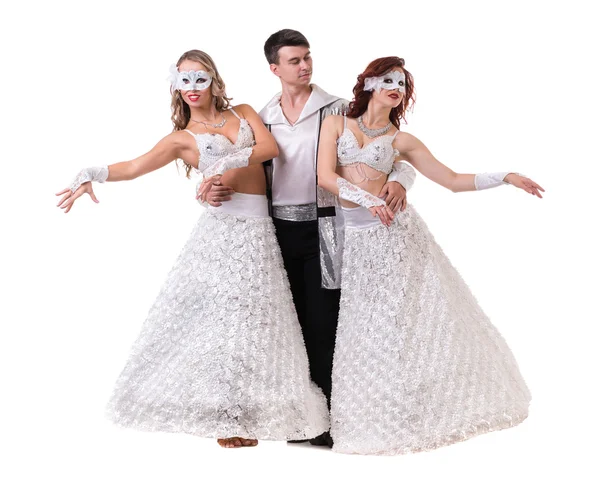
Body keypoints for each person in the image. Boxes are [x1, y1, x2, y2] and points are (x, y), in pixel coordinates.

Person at [55, 49, 329, 449]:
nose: (192, 88)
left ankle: (259, 411)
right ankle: (227, 418)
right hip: (222, 234)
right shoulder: (181, 139)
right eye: (183, 80)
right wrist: (90, 173)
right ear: (175, 86)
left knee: (262, 323)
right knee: (223, 323)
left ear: (213, 80)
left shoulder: (244, 113)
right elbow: (134, 166)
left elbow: (270, 148)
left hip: (261, 230)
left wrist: (221, 169)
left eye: (199, 79)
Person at [201, 29, 417, 448]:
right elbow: (235, 164)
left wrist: (402, 178)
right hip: (275, 228)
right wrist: (208, 189)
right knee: (284, 322)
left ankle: (328, 421)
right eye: (295, 60)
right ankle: (293, 418)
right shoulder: (262, 117)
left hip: (328, 227)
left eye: (307, 57)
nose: (305, 65)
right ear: (275, 68)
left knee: (323, 321)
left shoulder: (336, 109)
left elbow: (389, 145)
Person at [317, 56, 542, 455]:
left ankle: (415, 411)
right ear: (368, 83)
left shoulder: (402, 141)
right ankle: (367, 417)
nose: (395, 88)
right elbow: (325, 176)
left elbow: (453, 180)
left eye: (401, 84)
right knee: (364, 328)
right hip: (356, 238)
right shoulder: (336, 124)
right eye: (388, 80)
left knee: (405, 322)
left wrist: (503, 177)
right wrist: (368, 199)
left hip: (396, 238)